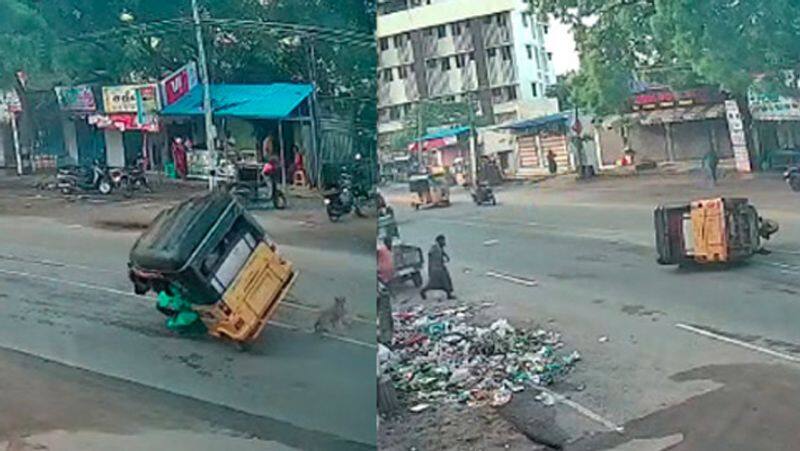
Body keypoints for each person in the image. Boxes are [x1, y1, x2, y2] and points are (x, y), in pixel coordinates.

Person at [421, 234, 455, 300]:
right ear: (439, 241)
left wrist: (446, 256)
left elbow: (442, 252)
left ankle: (449, 295)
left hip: (440, 267)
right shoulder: (434, 249)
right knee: (434, 283)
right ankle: (423, 291)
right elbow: (434, 258)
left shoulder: (439, 247)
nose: (444, 242)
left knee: (446, 281)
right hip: (436, 269)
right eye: (443, 241)